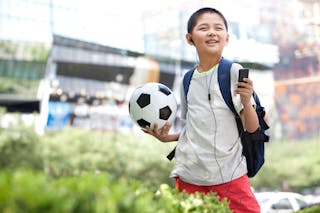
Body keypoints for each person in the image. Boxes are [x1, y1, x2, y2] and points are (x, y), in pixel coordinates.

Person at [145, 7, 260, 213]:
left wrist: (246, 100)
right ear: (190, 39)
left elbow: (252, 128)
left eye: (218, 28)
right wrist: (167, 138)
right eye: (204, 28)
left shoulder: (233, 71)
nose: (212, 32)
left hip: (229, 176)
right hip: (189, 175)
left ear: (227, 37)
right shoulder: (187, 80)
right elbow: (196, 129)